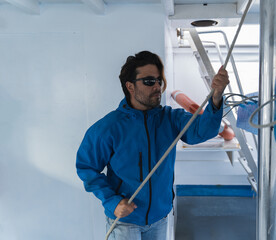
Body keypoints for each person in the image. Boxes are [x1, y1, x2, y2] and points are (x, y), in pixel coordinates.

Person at [76, 51, 229, 240]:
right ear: (130, 86)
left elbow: (202, 130)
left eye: (159, 81)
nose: (157, 86)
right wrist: (112, 202)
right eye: (149, 81)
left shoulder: (171, 119)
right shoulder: (109, 127)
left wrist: (216, 97)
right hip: (126, 221)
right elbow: (87, 168)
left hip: (160, 218)